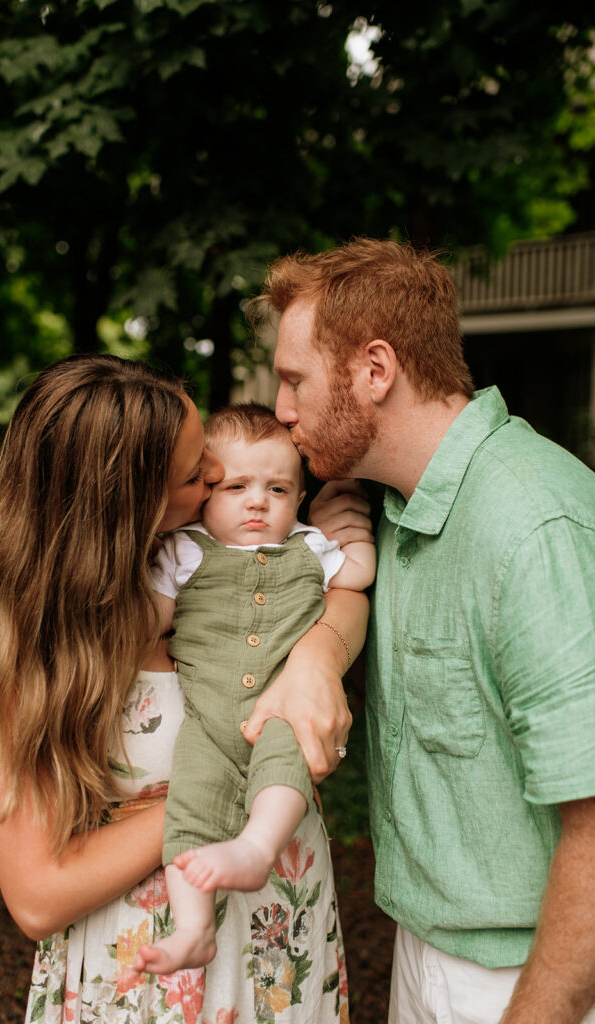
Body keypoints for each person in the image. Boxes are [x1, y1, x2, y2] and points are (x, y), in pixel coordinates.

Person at [0, 353, 369, 1024]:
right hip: (155, 978)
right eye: (199, 473)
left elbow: (345, 600)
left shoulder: (235, 567)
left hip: (279, 945)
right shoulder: (35, 652)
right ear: (129, 499)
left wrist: (316, 659)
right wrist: (224, 790)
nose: (222, 478)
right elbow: (39, 895)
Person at [247, 238, 595, 1024]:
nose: (282, 409)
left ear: (376, 370)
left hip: (528, 980)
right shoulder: (398, 509)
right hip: (427, 950)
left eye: (295, 378)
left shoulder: (533, 526)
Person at [136, 403, 375, 975]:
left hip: (280, 705)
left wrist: (352, 521)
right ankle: (192, 928)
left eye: (277, 488)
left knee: (284, 756)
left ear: (298, 498)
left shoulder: (311, 545)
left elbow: (358, 575)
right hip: (207, 722)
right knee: (189, 806)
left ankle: (256, 850)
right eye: (236, 485)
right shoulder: (183, 550)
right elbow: (150, 619)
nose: (257, 500)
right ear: (206, 493)